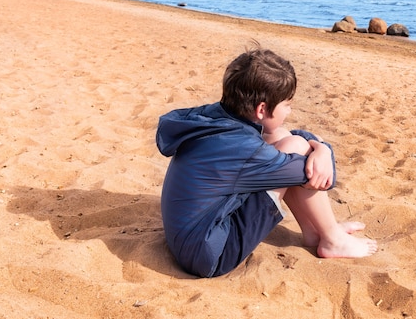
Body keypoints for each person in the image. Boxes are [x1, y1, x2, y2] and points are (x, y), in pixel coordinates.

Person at [156, 47, 377, 278]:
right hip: (210, 255)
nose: (289, 111)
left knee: (281, 137)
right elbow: (314, 174)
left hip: (191, 239)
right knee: (298, 149)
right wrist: (322, 148)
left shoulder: (219, 118)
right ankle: (333, 238)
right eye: (287, 104)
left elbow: (287, 139)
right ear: (262, 109)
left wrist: (319, 147)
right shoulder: (245, 150)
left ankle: (316, 232)